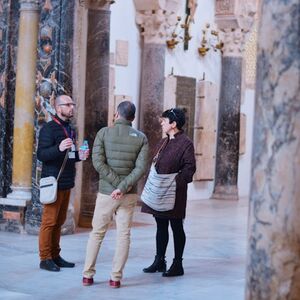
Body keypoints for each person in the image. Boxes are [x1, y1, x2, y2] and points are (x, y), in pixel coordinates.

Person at [82, 101, 149, 288]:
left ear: (116, 114)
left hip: (106, 193)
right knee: (124, 235)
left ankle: (88, 275)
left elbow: (97, 162)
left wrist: (115, 185)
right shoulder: (141, 137)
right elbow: (141, 168)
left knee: (97, 233)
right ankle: (116, 278)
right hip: (128, 195)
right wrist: (124, 186)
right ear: (133, 118)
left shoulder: (104, 133)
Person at [37, 95, 89, 272]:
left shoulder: (70, 129)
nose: (72, 107)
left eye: (73, 104)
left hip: (66, 182)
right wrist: (58, 148)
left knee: (59, 221)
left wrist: (79, 157)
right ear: (58, 108)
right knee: (49, 222)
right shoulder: (48, 129)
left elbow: (70, 156)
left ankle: (55, 255)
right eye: (68, 104)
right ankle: (45, 258)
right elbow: (41, 155)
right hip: (53, 182)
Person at [141, 108, 196, 277]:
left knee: (177, 227)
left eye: (164, 121)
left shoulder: (186, 143)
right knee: (161, 225)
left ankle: (177, 264)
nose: (162, 123)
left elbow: (190, 168)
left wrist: (174, 182)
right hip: (159, 192)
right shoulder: (163, 142)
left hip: (175, 194)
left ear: (173, 124)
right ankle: (159, 261)